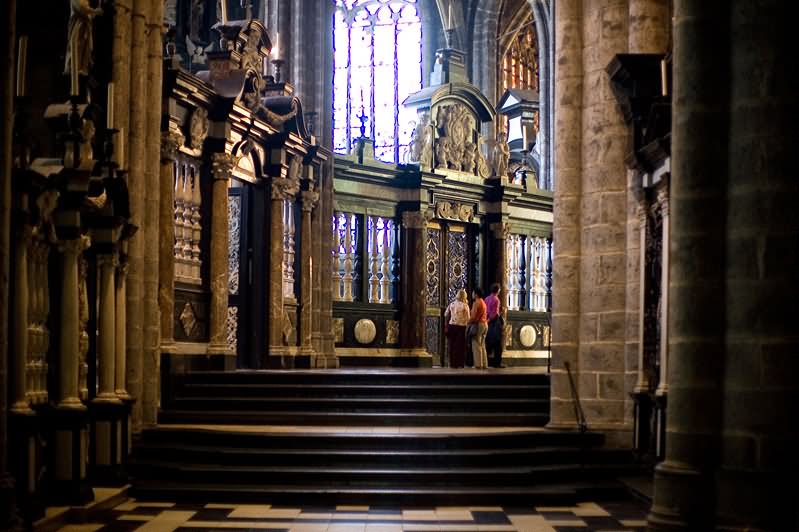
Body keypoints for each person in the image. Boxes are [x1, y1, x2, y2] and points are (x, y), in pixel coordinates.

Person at [444, 289, 470, 368]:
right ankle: (460, 363)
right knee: (460, 346)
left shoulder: (452, 304)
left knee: (452, 345)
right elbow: (468, 318)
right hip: (461, 327)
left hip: (452, 326)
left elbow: (446, 314)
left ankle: (452, 363)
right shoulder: (465, 305)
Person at [485, 283, 505, 368]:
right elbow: (495, 313)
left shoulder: (486, 298)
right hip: (494, 323)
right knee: (497, 345)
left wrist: (487, 320)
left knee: (488, 343)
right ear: (498, 290)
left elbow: (486, 311)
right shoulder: (496, 300)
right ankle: (497, 363)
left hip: (487, 321)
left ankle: (487, 361)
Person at [468, 288, 488, 369]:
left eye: (473, 293)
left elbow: (473, 316)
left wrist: (468, 322)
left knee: (476, 344)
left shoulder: (476, 303)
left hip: (478, 324)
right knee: (482, 345)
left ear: (476, 294)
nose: (472, 294)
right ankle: (484, 364)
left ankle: (478, 364)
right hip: (485, 324)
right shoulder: (483, 302)